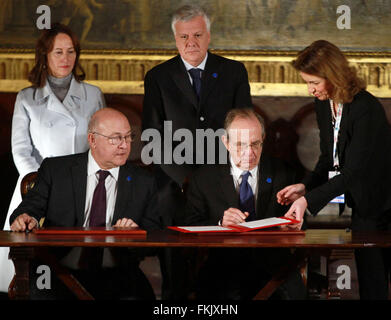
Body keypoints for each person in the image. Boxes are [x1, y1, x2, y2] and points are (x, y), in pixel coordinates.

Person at [142, 5, 252, 299]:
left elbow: (243, 128)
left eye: (197, 35)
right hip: (174, 181)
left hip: (222, 178)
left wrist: (211, 178)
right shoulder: (158, 77)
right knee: (176, 267)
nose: (191, 43)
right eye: (184, 37)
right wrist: (186, 179)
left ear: (209, 35)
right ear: (175, 39)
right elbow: (152, 137)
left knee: (224, 268)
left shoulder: (233, 72)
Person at [277, 40, 391, 299]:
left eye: (314, 83)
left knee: (377, 284)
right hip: (362, 206)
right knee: (370, 284)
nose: (310, 90)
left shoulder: (365, 108)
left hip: (384, 204)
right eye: (307, 83)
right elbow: (329, 159)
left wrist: (308, 201)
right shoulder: (324, 103)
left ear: (334, 76)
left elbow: (352, 172)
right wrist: (305, 186)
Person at [9, 108, 160, 300]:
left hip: (118, 271)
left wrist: (135, 235)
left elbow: (154, 237)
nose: (124, 145)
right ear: (92, 140)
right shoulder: (56, 170)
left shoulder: (143, 181)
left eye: (128, 137)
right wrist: (25, 218)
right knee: (39, 291)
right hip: (57, 267)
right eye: (115, 138)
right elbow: (28, 210)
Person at [0, 23, 105, 294]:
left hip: (84, 184)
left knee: (81, 267)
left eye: (71, 52)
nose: (65, 59)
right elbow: (21, 149)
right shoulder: (27, 97)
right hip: (35, 185)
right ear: (44, 55)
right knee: (33, 267)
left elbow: (101, 142)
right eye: (58, 52)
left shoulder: (93, 94)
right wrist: (41, 183)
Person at [185, 108, 307, 300]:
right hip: (223, 265)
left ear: (263, 139)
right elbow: (189, 224)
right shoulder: (204, 177)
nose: (249, 153)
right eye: (240, 145)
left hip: (274, 265)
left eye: (255, 144)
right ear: (226, 142)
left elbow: (300, 222)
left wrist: (292, 224)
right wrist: (219, 224)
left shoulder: (284, 173)